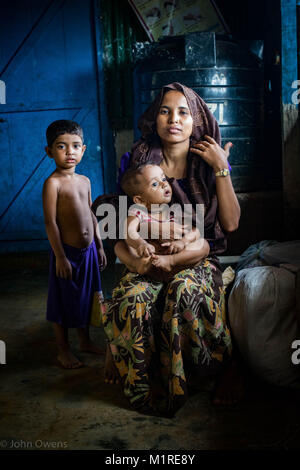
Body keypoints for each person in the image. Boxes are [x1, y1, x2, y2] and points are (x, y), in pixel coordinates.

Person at [97, 82, 242, 416]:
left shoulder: (209, 160)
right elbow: (121, 223)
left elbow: (231, 225)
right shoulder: (138, 158)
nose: (173, 119)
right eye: (164, 110)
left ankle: (222, 368)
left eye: (183, 112)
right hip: (147, 254)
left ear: (198, 121)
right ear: (155, 117)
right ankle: (136, 368)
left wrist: (222, 167)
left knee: (184, 289)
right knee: (132, 295)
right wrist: (139, 259)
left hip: (196, 255)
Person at [43, 119, 107, 369]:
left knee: (88, 297)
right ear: (49, 152)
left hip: (89, 251)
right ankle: (63, 350)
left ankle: (85, 340)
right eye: (61, 146)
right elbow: (51, 222)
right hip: (67, 253)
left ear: (83, 149)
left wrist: (99, 245)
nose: (70, 151)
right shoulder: (53, 183)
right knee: (62, 300)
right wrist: (60, 256)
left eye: (75, 145)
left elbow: (91, 215)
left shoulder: (84, 180)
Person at [120, 162, 208, 277]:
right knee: (121, 245)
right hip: (151, 258)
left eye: (164, 178)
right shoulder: (139, 213)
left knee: (203, 244)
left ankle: (171, 261)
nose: (164, 184)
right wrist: (141, 244)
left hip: (173, 255)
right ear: (139, 200)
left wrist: (183, 242)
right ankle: (138, 264)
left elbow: (194, 231)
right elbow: (129, 231)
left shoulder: (173, 210)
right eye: (155, 184)